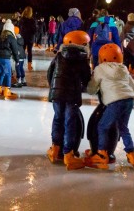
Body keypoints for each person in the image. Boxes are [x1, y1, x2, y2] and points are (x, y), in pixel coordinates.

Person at [84, 43, 134, 170]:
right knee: (123, 128)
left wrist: (93, 88)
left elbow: (92, 88)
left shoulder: (100, 69)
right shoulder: (123, 68)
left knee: (103, 126)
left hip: (114, 101)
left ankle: (101, 154)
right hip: (129, 100)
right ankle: (131, 155)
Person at [46, 30, 91, 170]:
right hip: (72, 96)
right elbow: (86, 79)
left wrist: (54, 87)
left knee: (58, 119)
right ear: (83, 44)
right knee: (69, 122)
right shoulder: (82, 59)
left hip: (57, 94)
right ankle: (68, 154)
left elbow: (50, 73)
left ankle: (55, 149)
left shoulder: (59, 56)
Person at [0, 20, 19, 100]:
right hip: (5, 59)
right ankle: (7, 90)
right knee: (8, 74)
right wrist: (17, 60)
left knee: (1, 73)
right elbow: (15, 50)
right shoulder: (11, 38)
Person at [19, 6, 37, 71]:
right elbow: (34, 30)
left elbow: (19, 29)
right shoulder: (32, 20)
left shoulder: (21, 19)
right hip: (30, 38)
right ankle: (29, 65)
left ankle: (20, 65)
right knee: (29, 51)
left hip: (23, 37)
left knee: (22, 51)